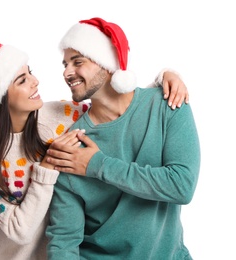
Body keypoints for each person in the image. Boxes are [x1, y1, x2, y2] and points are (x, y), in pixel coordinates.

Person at [0, 40, 188, 259]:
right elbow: (20, 231)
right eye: (22, 80)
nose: (35, 81)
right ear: (0, 99)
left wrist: (164, 81)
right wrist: (48, 166)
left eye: (30, 73)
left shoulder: (62, 116)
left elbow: (116, 109)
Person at [45, 17, 201, 260]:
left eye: (78, 62)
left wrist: (97, 165)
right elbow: (64, 241)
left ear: (107, 65)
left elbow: (182, 186)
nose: (67, 72)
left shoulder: (168, 103)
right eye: (65, 64)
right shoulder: (72, 146)